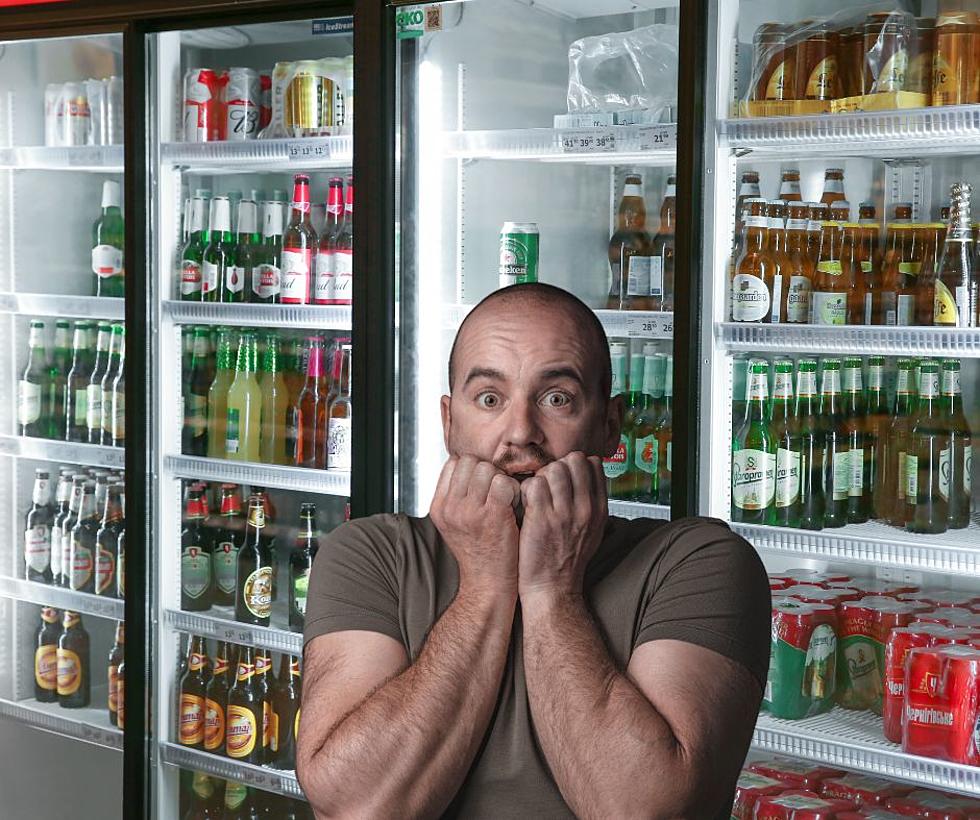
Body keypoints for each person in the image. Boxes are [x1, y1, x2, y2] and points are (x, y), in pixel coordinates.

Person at [296, 283, 770, 818]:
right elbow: (356, 807)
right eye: (490, 399)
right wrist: (484, 588)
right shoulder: (371, 554)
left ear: (609, 426)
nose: (521, 433)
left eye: (556, 399)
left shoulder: (697, 562)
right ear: (449, 423)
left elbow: (644, 810)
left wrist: (550, 591)